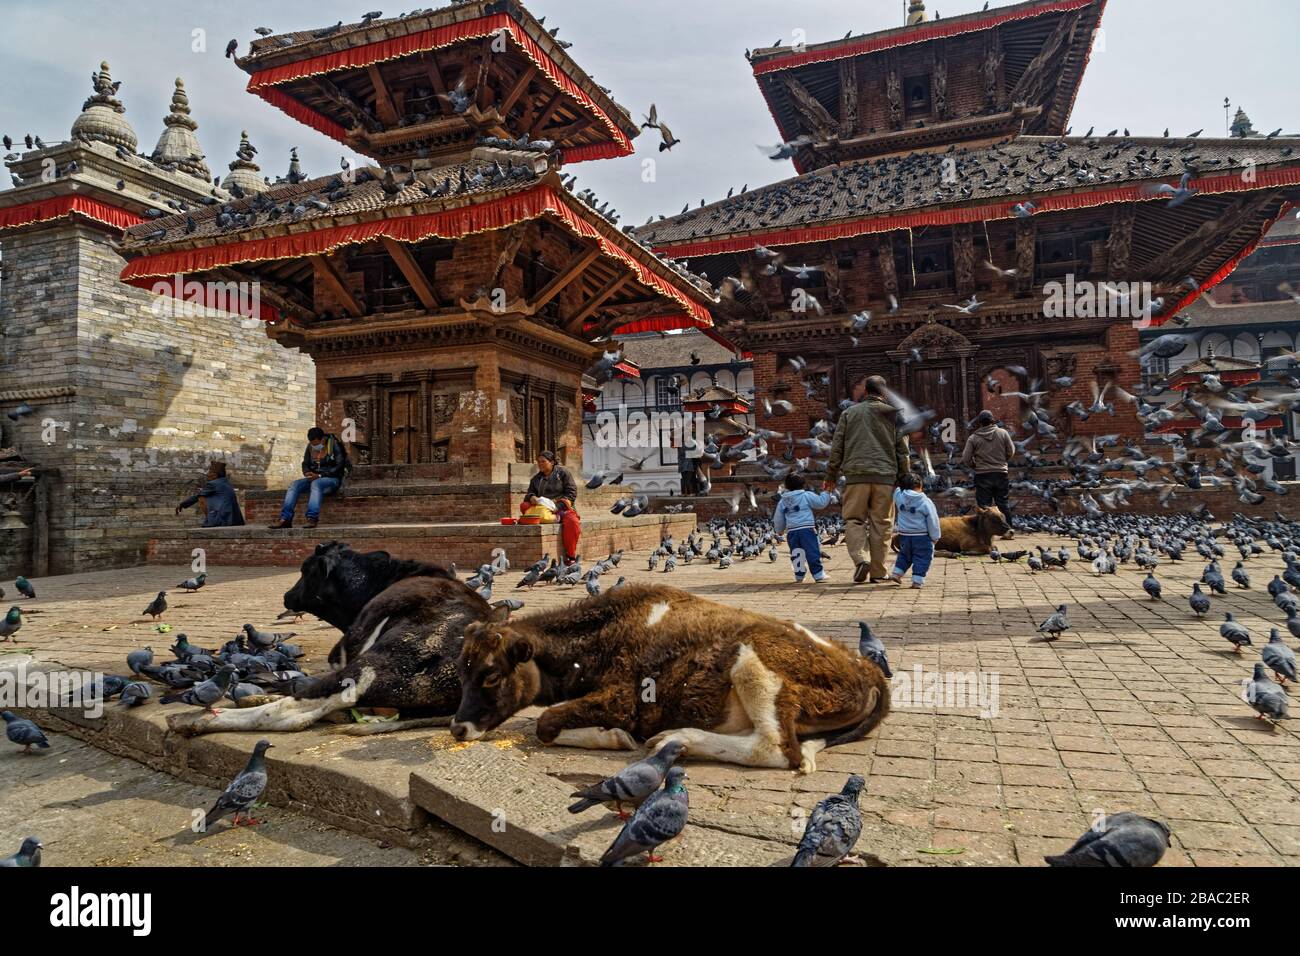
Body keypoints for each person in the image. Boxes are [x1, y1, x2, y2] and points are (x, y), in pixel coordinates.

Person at [825, 374, 910, 584]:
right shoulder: (894, 415)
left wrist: (831, 475)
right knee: (882, 523)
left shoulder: (849, 413)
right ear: (884, 393)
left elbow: (837, 447)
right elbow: (903, 451)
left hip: (855, 475)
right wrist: (904, 477)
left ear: (866, 392)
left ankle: (861, 559)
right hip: (885, 477)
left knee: (854, 520)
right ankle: (879, 571)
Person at [268, 428, 349, 530]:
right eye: (312, 444)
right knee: (294, 485)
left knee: (316, 483)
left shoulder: (335, 445)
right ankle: (285, 519)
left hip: (332, 479)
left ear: (322, 439)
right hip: (314, 478)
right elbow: (305, 463)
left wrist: (320, 475)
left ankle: (312, 518)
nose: (315, 446)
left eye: (316, 444)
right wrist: (307, 473)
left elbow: (339, 466)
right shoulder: (310, 446)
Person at [773, 473, 834, 583]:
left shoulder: (783, 501)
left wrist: (779, 530)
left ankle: (799, 575)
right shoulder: (806, 495)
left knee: (797, 553)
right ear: (803, 485)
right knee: (812, 552)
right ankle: (818, 574)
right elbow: (821, 503)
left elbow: (778, 517)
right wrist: (827, 492)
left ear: (787, 486)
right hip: (807, 530)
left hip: (792, 531)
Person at [961, 410, 1016, 531]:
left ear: (980, 423)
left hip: (983, 475)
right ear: (992, 421)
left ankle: (984, 532)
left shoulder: (973, 438)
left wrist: (975, 466)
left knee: (984, 506)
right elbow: (1011, 452)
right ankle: (1008, 531)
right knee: (1003, 504)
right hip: (1001, 473)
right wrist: (1002, 461)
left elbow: (966, 458)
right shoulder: (1003, 433)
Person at [523, 451, 580, 561]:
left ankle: (570, 555)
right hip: (543, 509)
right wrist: (532, 498)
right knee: (524, 506)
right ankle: (550, 518)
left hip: (561, 508)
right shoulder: (536, 479)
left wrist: (556, 507)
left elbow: (571, 493)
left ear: (552, 462)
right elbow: (529, 494)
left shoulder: (563, 473)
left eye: (543, 462)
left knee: (573, 522)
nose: (540, 464)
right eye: (538, 462)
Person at [889, 472, 941, 589]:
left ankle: (897, 573)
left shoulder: (898, 496)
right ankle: (917, 580)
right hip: (922, 536)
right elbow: (933, 520)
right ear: (920, 486)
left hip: (904, 535)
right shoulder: (925, 501)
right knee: (922, 557)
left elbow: (897, 488)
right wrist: (935, 536)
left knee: (904, 555)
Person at [176, 461, 244, 527]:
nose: (207, 474)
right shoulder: (226, 482)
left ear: (215, 475)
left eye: (209, 472)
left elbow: (197, 496)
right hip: (235, 519)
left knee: (201, 497)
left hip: (223, 518)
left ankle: (210, 521)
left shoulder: (212, 484)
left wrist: (182, 504)